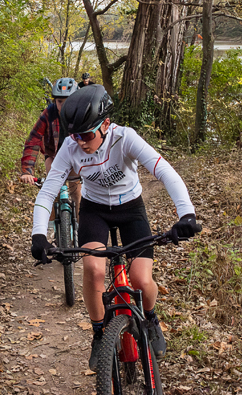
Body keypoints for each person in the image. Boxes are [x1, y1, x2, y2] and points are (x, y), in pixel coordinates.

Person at [29, 85, 200, 370]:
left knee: (142, 281)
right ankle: (99, 334)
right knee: (94, 270)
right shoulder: (71, 147)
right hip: (95, 212)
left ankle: (152, 319)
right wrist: (38, 234)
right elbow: (48, 191)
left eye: (86, 135)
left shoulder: (125, 138)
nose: (80, 142)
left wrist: (187, 215)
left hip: (131, 209)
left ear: (106, 124)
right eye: (75, 135)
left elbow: (164, 171)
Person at [20, 77, 81, 210]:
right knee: (52, 191)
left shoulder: (81, 114)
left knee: (77, 193)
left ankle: (80, 228)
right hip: (54, 155)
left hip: (76, 156)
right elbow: (33, 140)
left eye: (69, 101)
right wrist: (27, 171)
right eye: (60, 102)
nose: (64, 106)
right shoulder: (49, 113)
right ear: (54, 101)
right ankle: (52, 224)